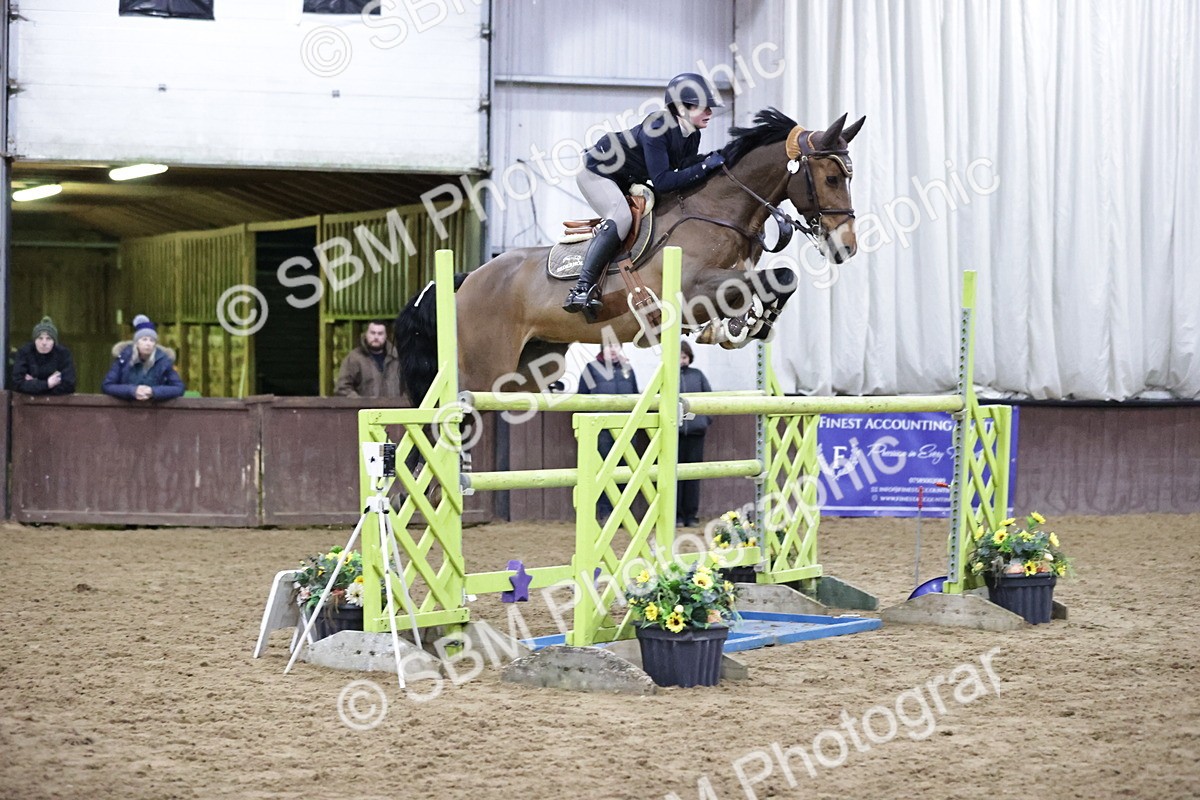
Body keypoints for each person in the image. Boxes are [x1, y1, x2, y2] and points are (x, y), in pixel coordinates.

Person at [563, 72, 727, 315]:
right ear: (682, 108)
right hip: (598, 173)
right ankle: (581, 288)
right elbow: (663, 181)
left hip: (627, 178)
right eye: (703, 107)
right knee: (621, 218)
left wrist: (713, 162)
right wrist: (704, 167)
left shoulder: (693, 134)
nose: (710, 113)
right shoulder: (658, 127)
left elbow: (684, 169)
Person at [577, 343, 639, 521]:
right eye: (609, 346)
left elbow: (635, 396)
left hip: (626, 429)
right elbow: (581, 399)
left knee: (625, 470)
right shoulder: (591, 369)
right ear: (602, 349)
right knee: (603, 470)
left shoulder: (628, 370)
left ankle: (622, 513)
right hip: (601, 430)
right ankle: (605, 512)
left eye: (616, 346)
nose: (612, 349)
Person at [102, 314, 185, 401]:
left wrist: (153, 391)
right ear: (137, 343)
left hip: (155, 407)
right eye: (144, 339)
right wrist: (132, 391)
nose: (148, 344)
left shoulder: (163, 361)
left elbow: (179, 388)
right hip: (127, 406)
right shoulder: (124, 358)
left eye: (152, 340)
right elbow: (107, 386)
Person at [677, 340, 713, 527]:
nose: (681, 360)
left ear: (689, 357)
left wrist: (704, 420)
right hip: (674, 434)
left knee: (693, 476)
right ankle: (676, 515)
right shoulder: (667, 376)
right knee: (674, 475)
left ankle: (691, 515)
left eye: (684, 357)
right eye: (678, 357)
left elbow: (710, 399)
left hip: (696, 433)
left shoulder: (698, 375)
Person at [335, 320, 402, 397]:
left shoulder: (397, 358)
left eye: (380, 333)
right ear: (366, 334)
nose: (376, 337)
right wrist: (361, 402)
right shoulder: (354, 358)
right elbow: (342, 388)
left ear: (386, 336)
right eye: (372, 333)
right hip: (364, 405)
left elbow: (408, 387)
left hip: (393, 404)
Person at [11, 316, 76, 396]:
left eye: (48, 338)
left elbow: (69, 385)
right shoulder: (25, 352)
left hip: (56, 403)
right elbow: (17, 384)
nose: (44, 343)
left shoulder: (63, 354)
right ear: (34, 340)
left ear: (54, 342)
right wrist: (48, 384)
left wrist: (34, 385)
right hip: (29, 403)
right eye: (40, 338)